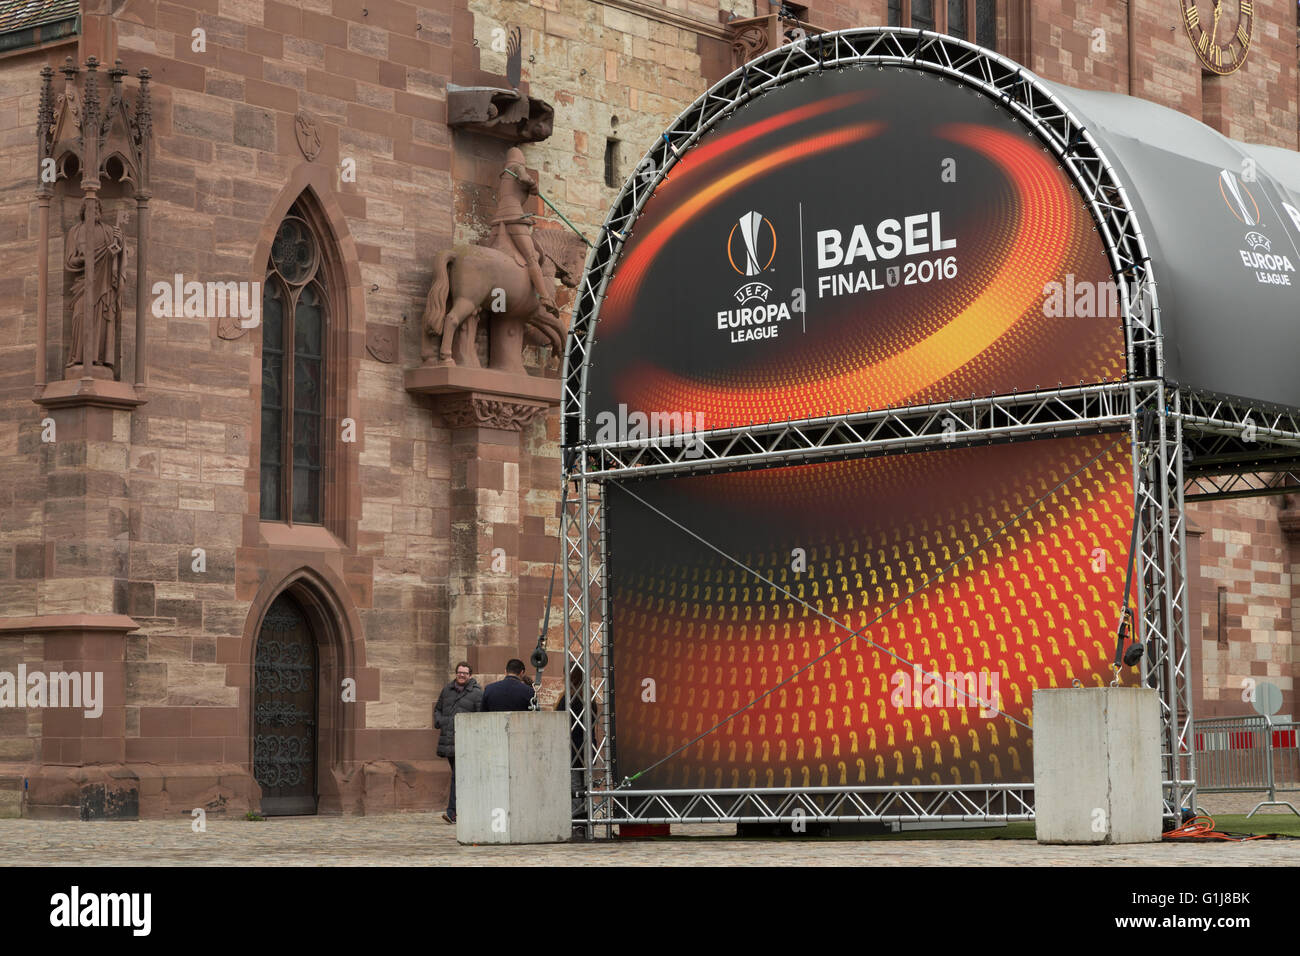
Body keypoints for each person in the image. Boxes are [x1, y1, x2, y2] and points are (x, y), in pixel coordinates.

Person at [434, 661, 481, 824]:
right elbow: (438, 709)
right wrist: (440, 721)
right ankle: (465, 810)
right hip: (448, 741)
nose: (461, 675)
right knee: (459, 777)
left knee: (457, 776)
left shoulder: (476, 693)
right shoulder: (447, 690)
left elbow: (480, 716)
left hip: (465, 743)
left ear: (470, 675)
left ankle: (452, 812)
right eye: (459, 672)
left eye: (465, 673)